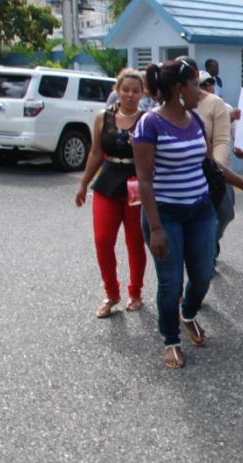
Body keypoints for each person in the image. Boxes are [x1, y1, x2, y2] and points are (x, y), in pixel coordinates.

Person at [133, 59, 243, 368]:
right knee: (170, 283)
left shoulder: (193, 119)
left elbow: (210, 165)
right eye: (196, 85)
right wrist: (155, 228)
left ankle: (188, 313)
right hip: (165, 214)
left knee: (203, 274)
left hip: (200, 209)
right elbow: (144, 179)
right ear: (179, 89)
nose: (202, 91)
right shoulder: (149, 124)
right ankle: (171, 339)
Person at [75, 68, 147, 318]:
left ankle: (135, 292)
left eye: (135, 91)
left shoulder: (147, 120)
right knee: (103, 240)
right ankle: (111, 293)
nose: (130, 95)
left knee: (135, 241)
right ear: (117, 90)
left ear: (142, 94)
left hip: (135, 184)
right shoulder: (102, 117)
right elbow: (96, 152)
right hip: (107, 181)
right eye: (125, 90)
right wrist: (83, 183)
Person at [195, 68, 236, 264]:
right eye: (201, 84)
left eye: (209, 82)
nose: (206, 86)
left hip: (219, 170)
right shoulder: (179, 106)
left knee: (226, 213)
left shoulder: (221, 105)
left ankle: (210, 243)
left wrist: (216, 169)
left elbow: (224, 140)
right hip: (194, 174)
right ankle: (204, 255)